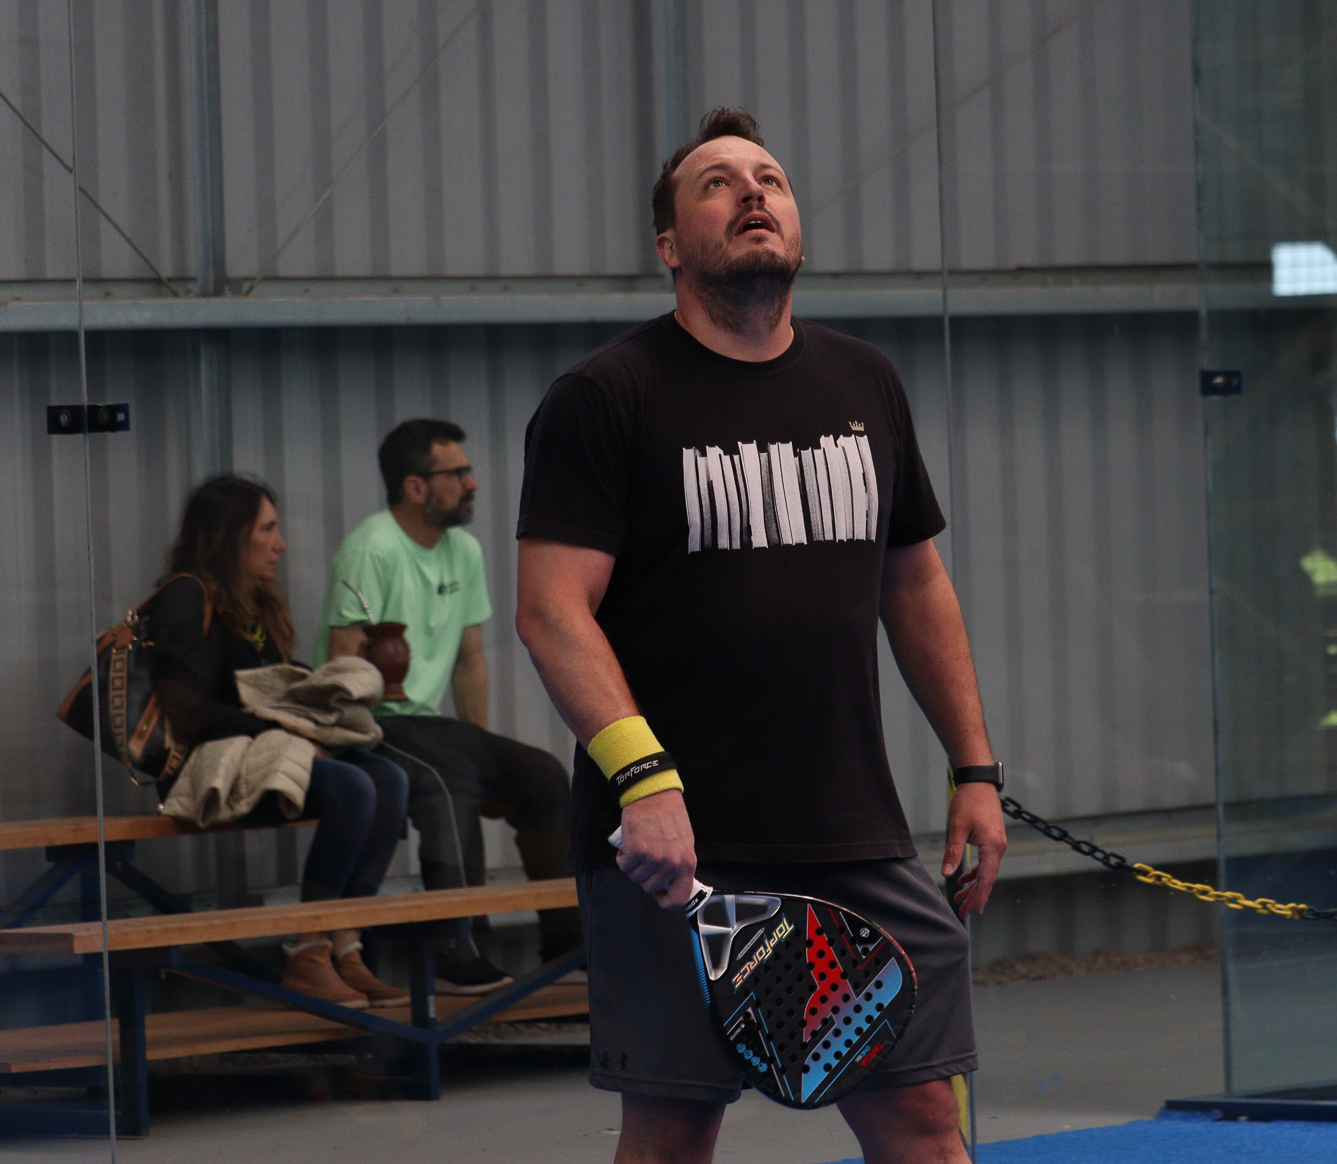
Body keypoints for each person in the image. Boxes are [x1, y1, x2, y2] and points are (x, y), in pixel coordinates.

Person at [514, 105, 1008, 1164]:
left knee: (926, 1122)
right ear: (668, 246)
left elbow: (915, 580)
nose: (751, 191)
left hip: (853, 831)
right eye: (717, 182)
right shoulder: (605, 397)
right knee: (672, 1132)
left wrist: (974, 767)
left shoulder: (864, 381)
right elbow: (551, 610)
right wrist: (643, 780)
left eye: (770, 179)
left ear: (794, 227)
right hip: (675, 846)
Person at [317, 420, 580, 994]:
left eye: (469, 471)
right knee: (446, 781)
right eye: (457, 473)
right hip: (371, 721)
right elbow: (340, 663)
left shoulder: (464, 550)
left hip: (429, 723)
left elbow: (468, 662)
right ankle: (455, 950)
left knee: (543, 774)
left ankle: (569, 948)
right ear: (415, 487)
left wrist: (479, 751)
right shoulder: (371, 549)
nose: (472, 483)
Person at [146, 474, 412, 1011]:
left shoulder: (258, 603)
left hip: (260, 751)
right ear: (230, 534)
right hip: (208, 765)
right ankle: (309, 952)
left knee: (389, 778)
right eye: (267, 529)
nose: (281, 544)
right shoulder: (186, 596)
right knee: (352, 788)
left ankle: (345, 941)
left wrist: (326, 695)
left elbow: (271, 689)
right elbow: (187, 711)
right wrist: (287, 731)